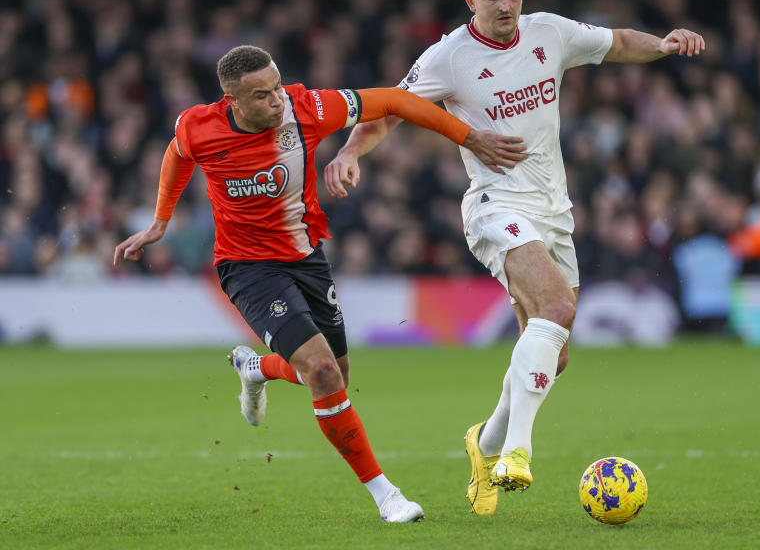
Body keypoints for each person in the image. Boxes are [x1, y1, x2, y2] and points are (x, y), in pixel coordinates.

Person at [323, 0, 705, 515]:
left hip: (554, 210)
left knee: (556, 352)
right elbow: (391, 109)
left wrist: (666, 43)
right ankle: (518, 453)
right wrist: (352, 152)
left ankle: (488, 440)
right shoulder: (448, 57)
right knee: (557, 310)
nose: (507, 6)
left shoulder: (548, 31)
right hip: (495, 205)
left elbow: (620, 42)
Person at [113, 45, 527, 523]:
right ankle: (386, 495)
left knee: (336, 375)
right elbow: (177, 154)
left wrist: (470, 137)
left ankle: (258, 368)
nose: (276, 101)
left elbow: (395, 100)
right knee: (324, 373)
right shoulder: (198, 126)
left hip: (307, 258)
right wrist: (160, 220)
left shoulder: (305, 107)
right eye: (262, 96)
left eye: (277, 87)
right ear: (232, 99)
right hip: (247, 268)